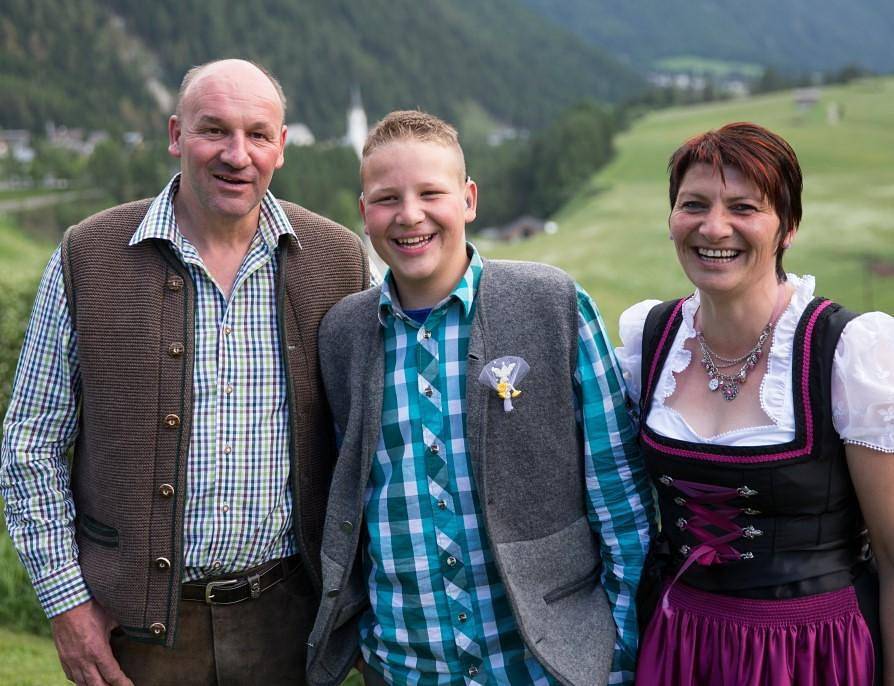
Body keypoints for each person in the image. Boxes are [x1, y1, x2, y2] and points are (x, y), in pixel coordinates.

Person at [0, 59, 369, 686]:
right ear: (176, 135)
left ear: (282, 147)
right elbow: (30, 444)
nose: (236, 153)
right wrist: (66, 604)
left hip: (290, 623)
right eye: (213, 130)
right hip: (135, 635)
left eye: (257, 134)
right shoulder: (88, 255)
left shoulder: (337, 258)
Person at [308, 110, 655, 686]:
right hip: (406, 665)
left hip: (546, 664)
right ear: (365, 212)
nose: (410, 215)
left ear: (468, 199)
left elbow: (620, 496)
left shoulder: (551, 304)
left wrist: (615, 647)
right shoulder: (342, 334)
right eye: (387, 198)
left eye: (430, 193)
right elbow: (352, 499)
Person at [615, 122, 894, 685]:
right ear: (672, 219)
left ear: (787, 228)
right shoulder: (650, 337)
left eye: (744, 207)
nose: (714, 227)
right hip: (679, 647)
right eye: (693, 204)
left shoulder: (849, 351)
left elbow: (893, 557)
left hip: (815, 653)